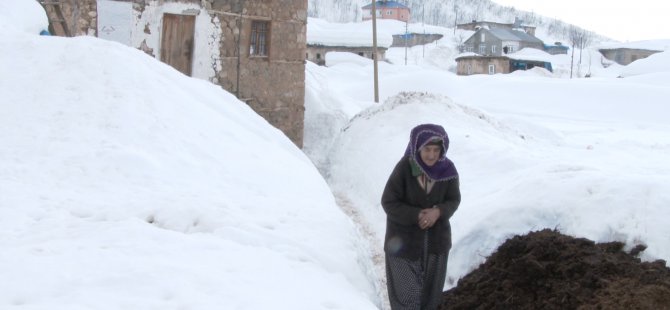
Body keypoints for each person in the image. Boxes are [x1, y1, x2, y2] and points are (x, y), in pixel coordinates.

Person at [381, 123, 461, 310]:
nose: (432, 155)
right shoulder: (404, 169)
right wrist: (417, 215)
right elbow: (389, 202)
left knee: (430, 299)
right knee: (407, 298)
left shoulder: (448, 170)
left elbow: (454, 199)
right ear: (417, 147)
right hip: (403, 245)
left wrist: (438, 211)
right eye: (427, 149)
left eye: (436, 150)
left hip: (436, 246)